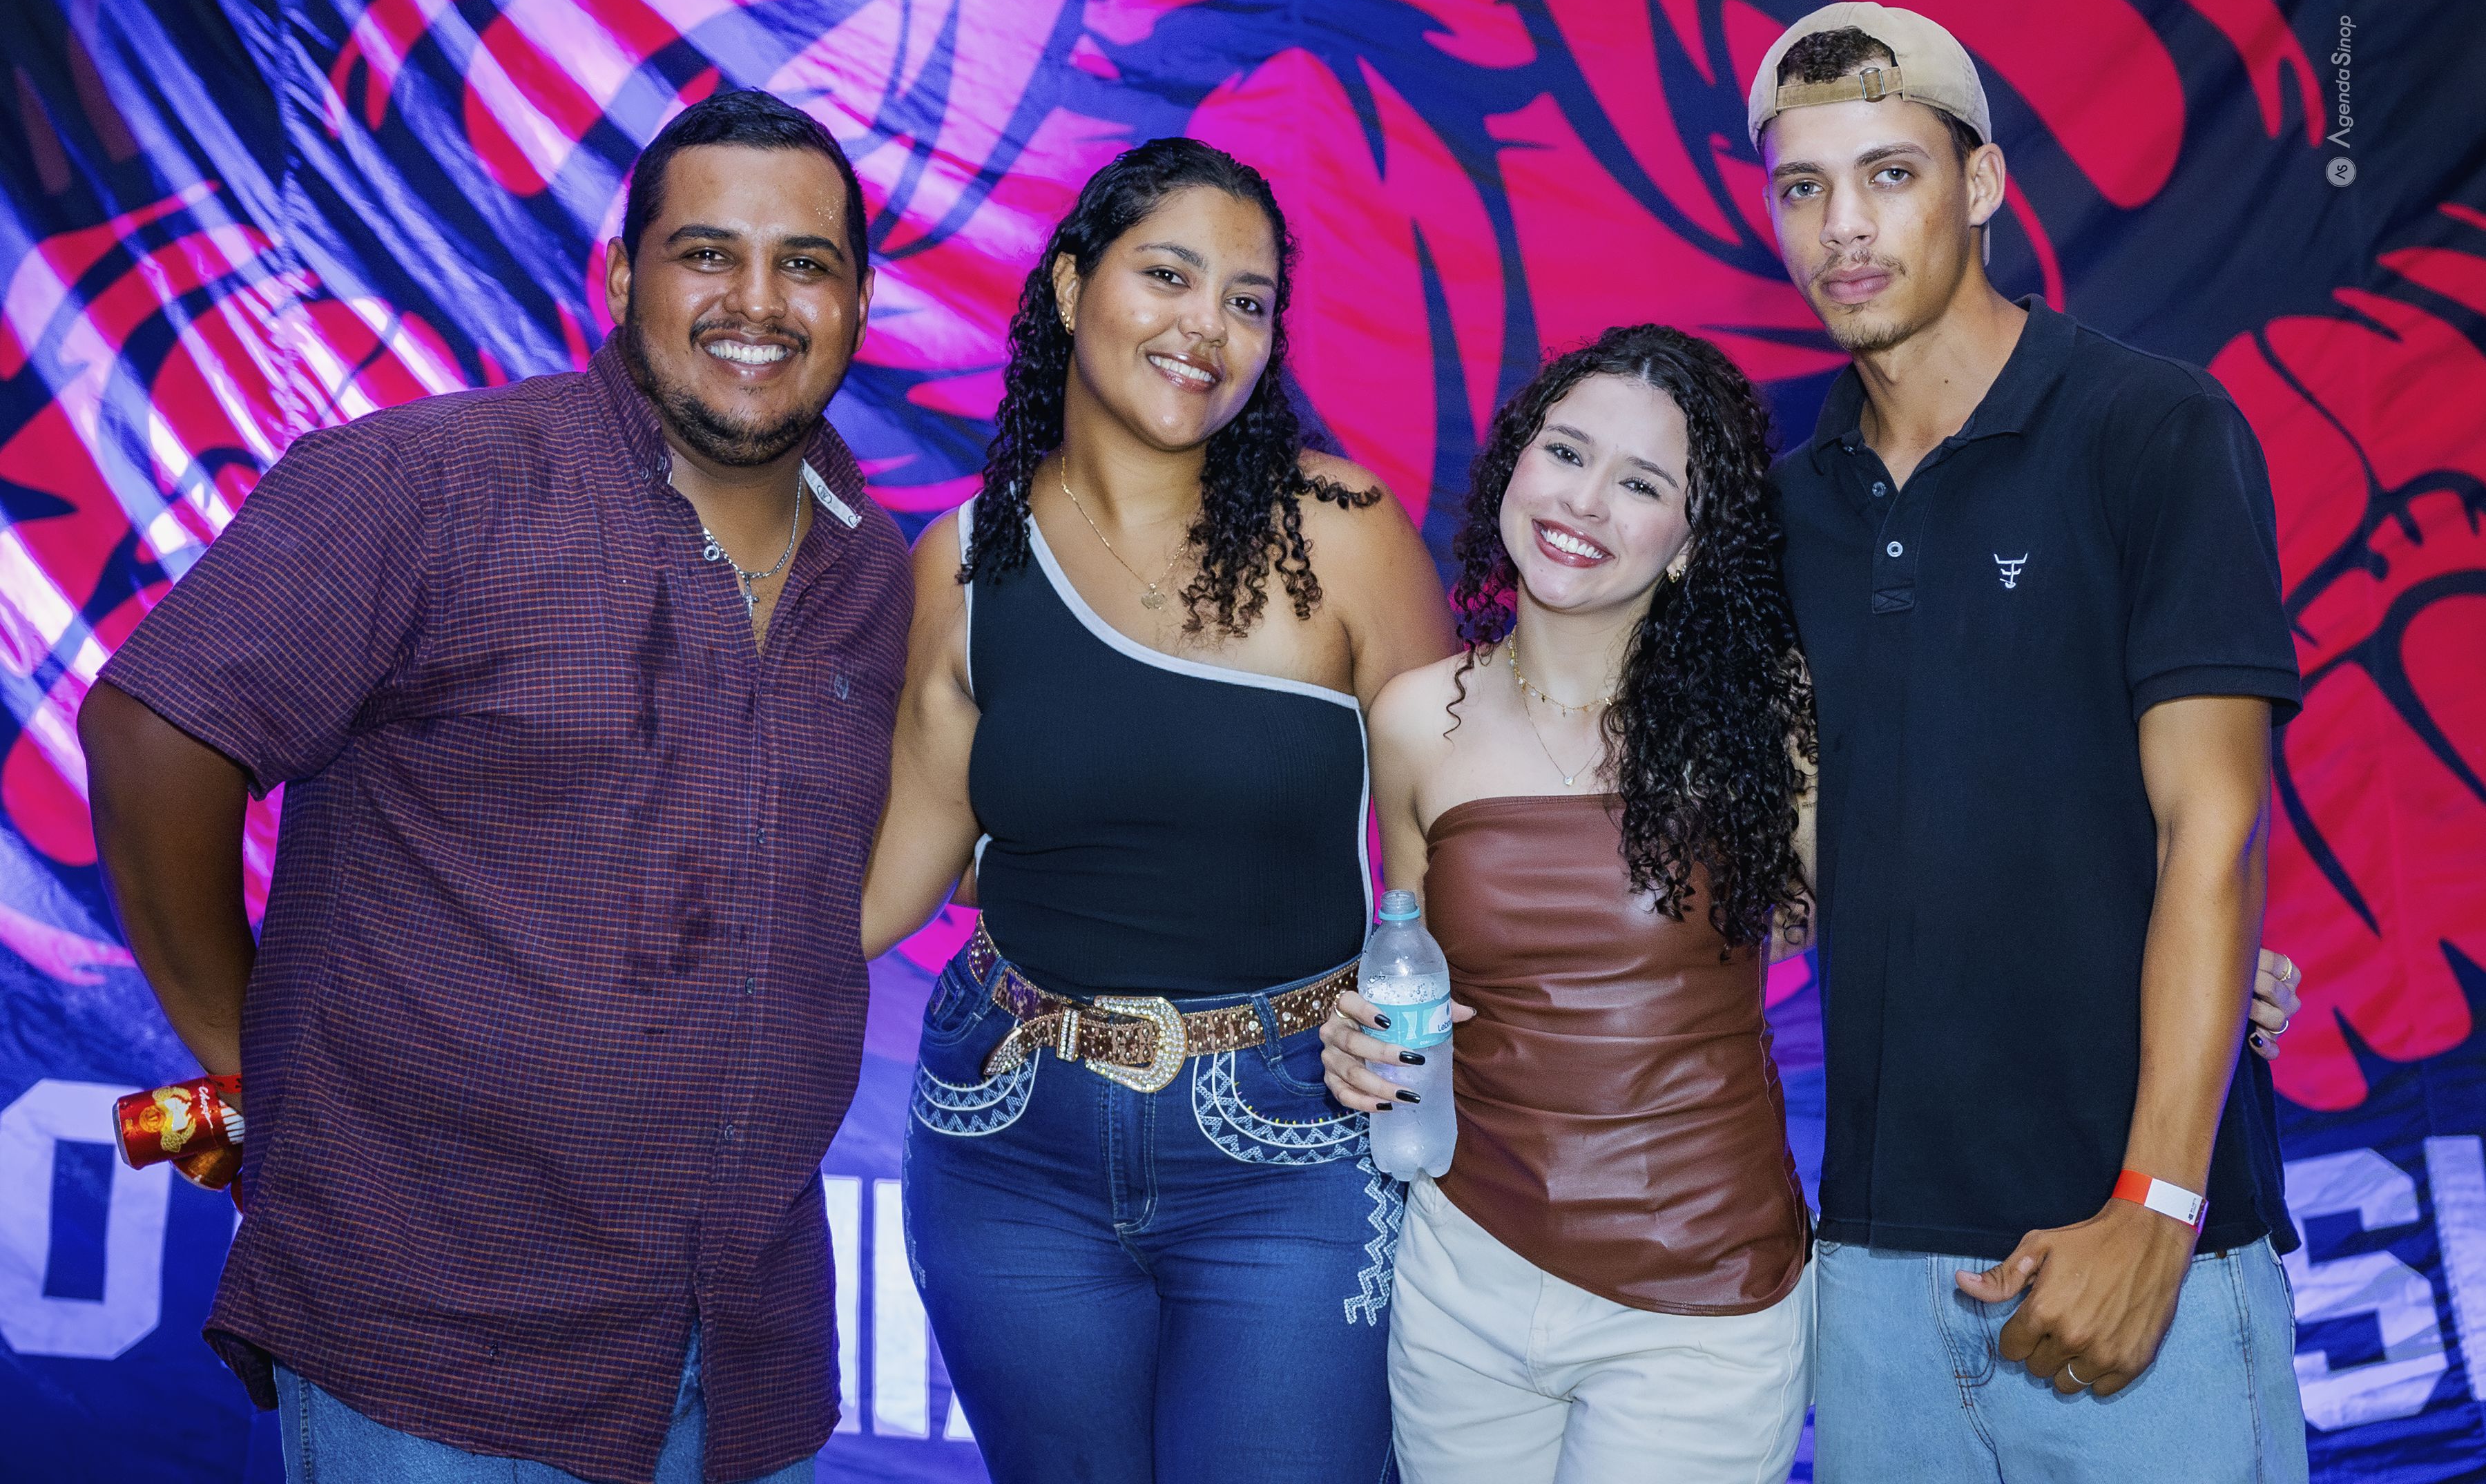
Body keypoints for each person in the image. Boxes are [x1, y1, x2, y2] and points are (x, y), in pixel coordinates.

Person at [78, 89, 907, 1484]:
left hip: (744, 1355)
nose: (758, 301)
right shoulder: (425, 483)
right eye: (707, 253)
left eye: (806, 263)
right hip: (434, 1340)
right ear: (620, 277)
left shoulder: (878, 573)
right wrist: (248, 1062)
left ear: (859, 303)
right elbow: (156, 737)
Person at [1751, 2, 2310, 1479]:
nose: (1844, 227)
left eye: (1890, 174)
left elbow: (2214, 835)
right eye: (1804, 186)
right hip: (1871, 1277)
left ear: (1984, 184)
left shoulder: (2151, 430)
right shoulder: (1781, 505)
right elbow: (1783, 863)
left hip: (2140, 1247)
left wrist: (2159, 1208)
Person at [858, 136, 1453, 1482]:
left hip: (1295, 1130)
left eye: (1248, 301)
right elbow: (896, 875)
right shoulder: (964, 563)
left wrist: (1421, 1041)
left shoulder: (1341, 531)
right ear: (1073, 286)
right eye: (1168, 276)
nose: (1208, 328)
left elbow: (1453, 837)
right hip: (1009, 1132)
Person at [1317, 325, 1821, 1483]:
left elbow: (1889, 921)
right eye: (1567, 452)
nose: (1584, 502)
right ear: (1515, 464)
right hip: (1464, 1275)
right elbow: (1407, 967)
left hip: (1698, 1299)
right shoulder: (1413, 718)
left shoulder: (1768, 720)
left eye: (1641, 484)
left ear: (1691, 540)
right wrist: (1357, 1037)